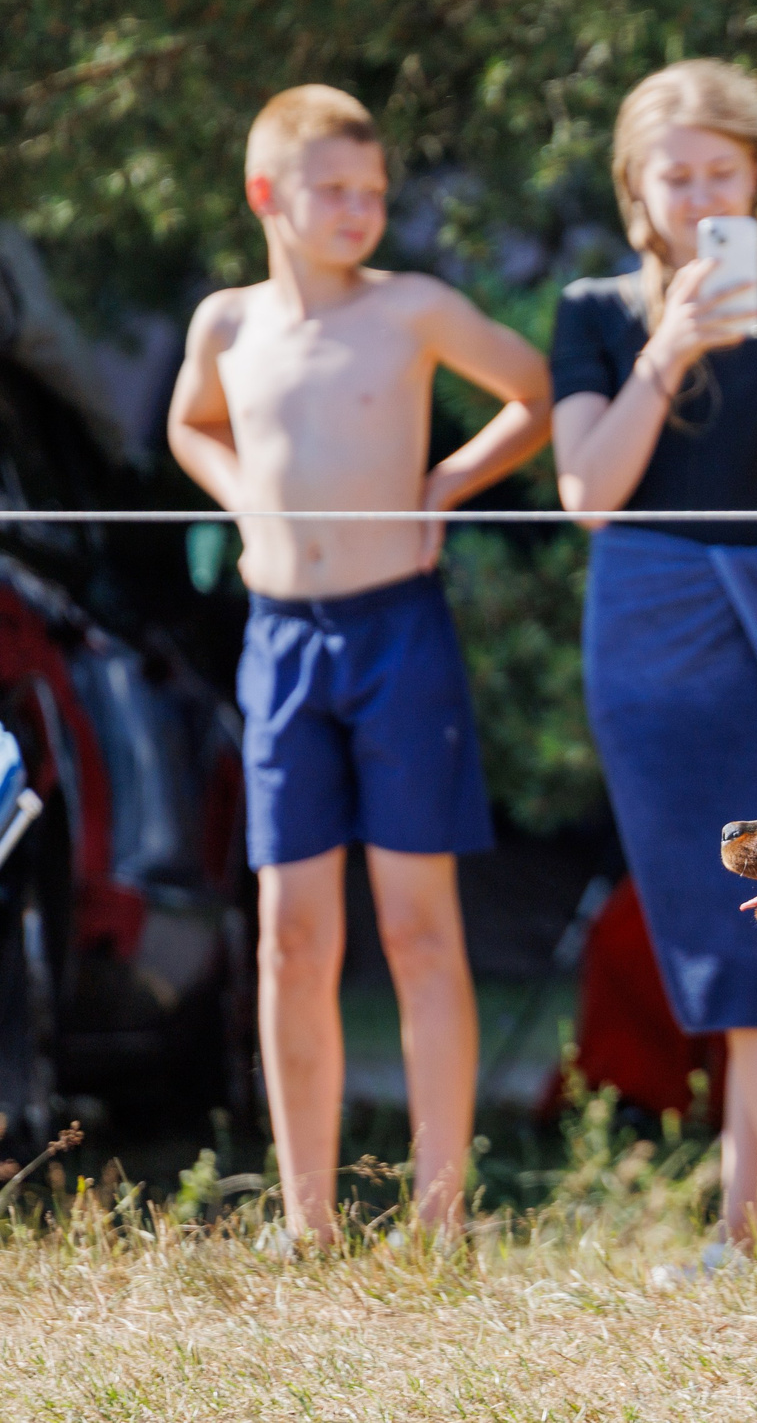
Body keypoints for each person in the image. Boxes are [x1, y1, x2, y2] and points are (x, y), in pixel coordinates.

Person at [168, 85, 552, 1240]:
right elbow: (194, 422)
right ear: (265, 195)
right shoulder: (225, 325)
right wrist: (236, 494)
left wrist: (445, 482)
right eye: (331, 190)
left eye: (372, 193)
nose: (356, 210)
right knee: (292, 929)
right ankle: (309, 1218)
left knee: (417, 926)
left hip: (398, 633)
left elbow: (533, 394)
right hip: (281, 639)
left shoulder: (416, 308)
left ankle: (439, 1219)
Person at [550, 60, 757, 1281]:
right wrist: (667, 348)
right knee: (725, 931)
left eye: (720, 171)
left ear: (756, 180)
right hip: (646, 631)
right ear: (637, 191)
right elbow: (586, 496)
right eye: (673, 174)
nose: (697, 194)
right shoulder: (594, 311)